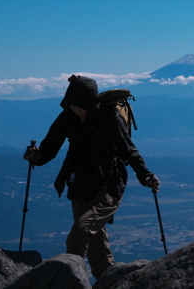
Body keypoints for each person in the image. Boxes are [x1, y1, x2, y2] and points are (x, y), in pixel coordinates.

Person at [23, 75, 160, 279]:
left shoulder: (109, 118)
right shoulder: (67, 118)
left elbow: (129, 150)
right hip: (80, 185)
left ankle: (67, 281)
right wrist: (35, 157)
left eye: (79, 106)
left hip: (109, 185)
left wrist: (145, 176)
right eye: (71, 105)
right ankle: (110, 280)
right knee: (97, 245)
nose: (75, 110)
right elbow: (49, 149)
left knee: (82, 228)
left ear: (89, 102)